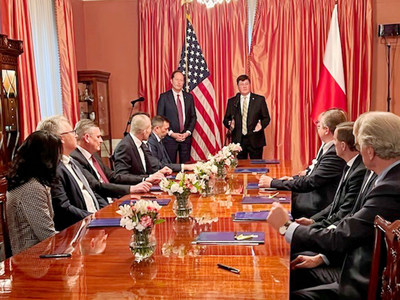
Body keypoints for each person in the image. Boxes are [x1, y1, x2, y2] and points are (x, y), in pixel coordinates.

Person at [267, 111, 400, 299]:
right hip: (349, 265)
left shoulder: (390, 187)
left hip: (363, 283)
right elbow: (355, 228)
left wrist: (286, 227)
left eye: (360, 145)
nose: (358, 150)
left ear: (370, 150)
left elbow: (344, 235)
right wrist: (322, 258)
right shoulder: (381, 177)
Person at [259, 108, 347, 218]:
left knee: (278, 205)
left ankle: (284, 232)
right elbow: (311, 175)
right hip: (314, 194)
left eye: (319, 126)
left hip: (318, 203)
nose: (317, 128)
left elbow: (311, 182)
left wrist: (273, 183)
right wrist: (292, 179)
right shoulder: (327, 147)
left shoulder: (334, 153)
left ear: (326, 130)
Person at [37, 115, 108, 231]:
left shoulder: (72, 161)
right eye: (72, 131)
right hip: (78, 230)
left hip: (95, 222)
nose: (76, 135)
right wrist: (93, 218)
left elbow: (91, 191)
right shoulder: (55, 168)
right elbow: (64, 207)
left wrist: (105, 212)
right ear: (61, 138)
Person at [6, 131, 61, 255]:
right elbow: (47, 235)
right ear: (46, 158)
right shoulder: (31, 189)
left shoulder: (30, 182)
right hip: (33, 261)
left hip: (39, 254)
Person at [70, 119, 152, 200]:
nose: (101, 141)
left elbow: (113, 176)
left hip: (112, 198)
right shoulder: (76, 158)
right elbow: (96, 186)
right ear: (87, 138)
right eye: (98, 137)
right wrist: (131, 189)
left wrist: (145, 179)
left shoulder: (94, 155)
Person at [223, 74, 270, 159]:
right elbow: (226, 119)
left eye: (246, 84)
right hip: (238, 141)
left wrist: (261, 125)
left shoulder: (259, 100)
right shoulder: (232, 101)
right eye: (241, 84)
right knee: (239, 168)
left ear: (250, 85)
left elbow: (266, 118)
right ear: (238, 86)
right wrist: (230, 124)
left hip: (255, 140)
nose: (244, 86)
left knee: (257, 168)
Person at [157, 70, 197, 163]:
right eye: (176, 80)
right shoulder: (164, 97)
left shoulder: (189, 97)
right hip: (169, 138)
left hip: (185, 138)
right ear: (171, 81)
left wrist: (187, 133)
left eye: (181, 80)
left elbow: (193, 117)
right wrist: (171, 133)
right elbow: (160, 118)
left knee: (186, 167)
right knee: (170, 167)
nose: (179, 82)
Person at [114, 113, 172, 177]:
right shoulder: (124, 147)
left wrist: (159, 172)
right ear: (144, 132)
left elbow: (150, 167)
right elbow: (121, 176)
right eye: (150, 128)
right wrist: (146, 178)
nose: (151, 131)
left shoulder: (141, 144)